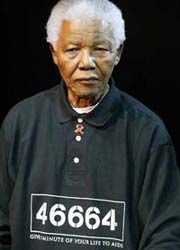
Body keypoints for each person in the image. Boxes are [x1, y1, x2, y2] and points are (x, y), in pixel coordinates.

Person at [1, 0, 180, 249]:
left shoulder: (148, 133)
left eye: (100, 49)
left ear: (118, 53)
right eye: (73, 49)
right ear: (54, 52)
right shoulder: (20, 123)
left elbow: (165, 236)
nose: (86, 62)